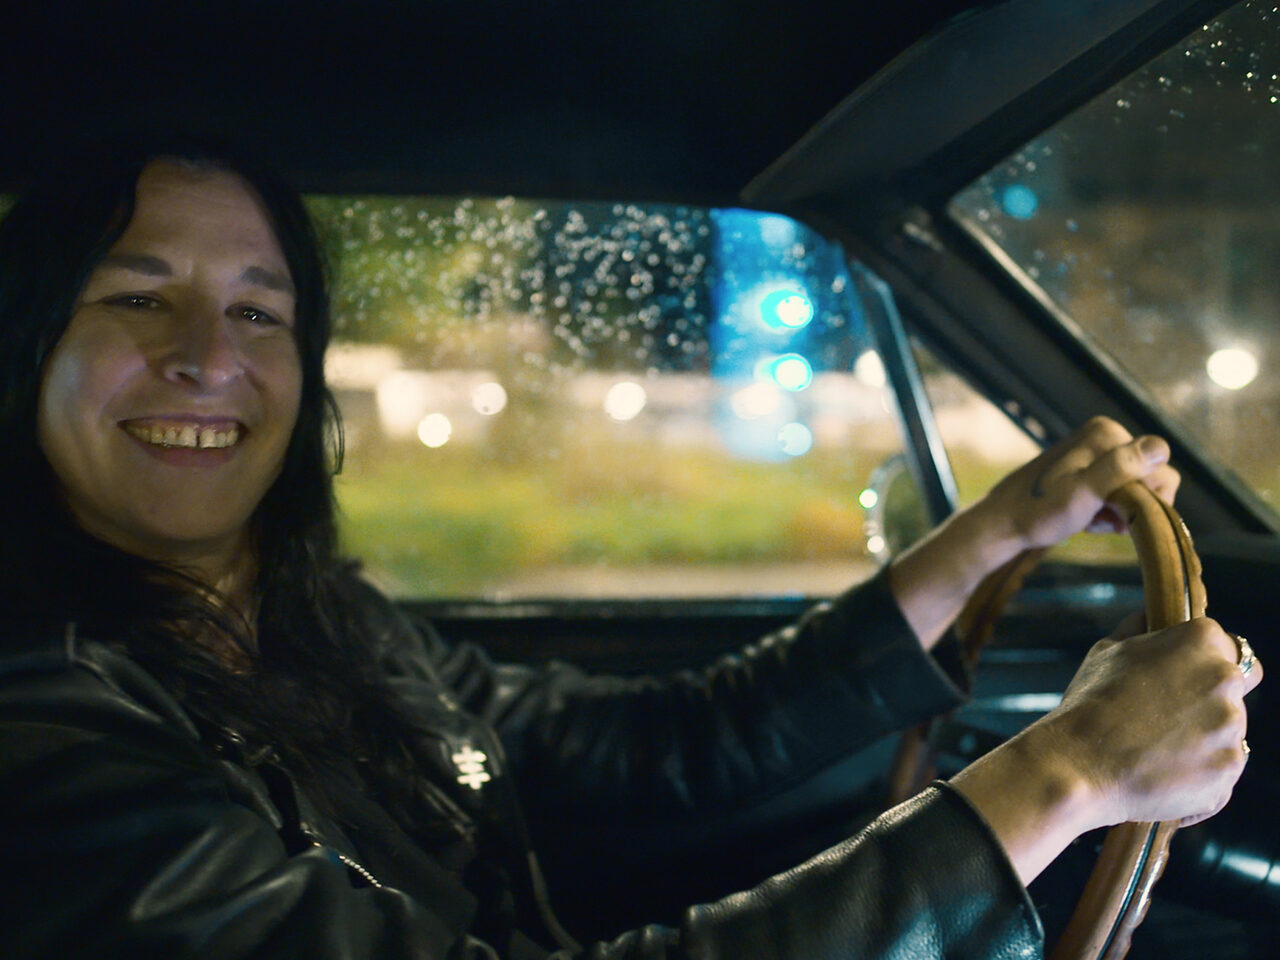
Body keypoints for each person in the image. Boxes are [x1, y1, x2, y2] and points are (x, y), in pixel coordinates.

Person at [0, 138, 1261, 960]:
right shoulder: (44, 736)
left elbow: (640, 749)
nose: (207, 357)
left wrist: (991, 536)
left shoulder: (302, 615)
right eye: (136, 297)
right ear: (28, 343)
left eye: (258, 311)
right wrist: (1061, 778)